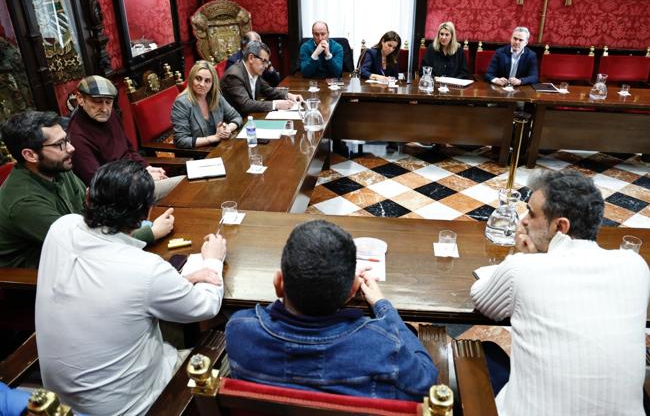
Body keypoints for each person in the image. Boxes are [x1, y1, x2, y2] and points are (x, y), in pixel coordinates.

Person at [35, 160, 226, 416]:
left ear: (89, 196)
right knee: (224, 341)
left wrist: (180, 282)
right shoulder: (146, 269)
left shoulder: (61, 227)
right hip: (132, 406)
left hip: (60, 402)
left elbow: (107, 281)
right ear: (146, 215)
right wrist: (213, 259)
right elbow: (205, 307)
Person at [471, 169, 648, 416]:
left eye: (532, 213)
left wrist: (526, 259)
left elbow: (481, 298)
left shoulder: (521, 268)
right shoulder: (636, 265)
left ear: (561, 226)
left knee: (482, 351)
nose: (523, 220)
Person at [226, 220, 438, 401]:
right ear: (353, 290)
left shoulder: (239, 330)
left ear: (279, 283)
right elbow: (426, 384)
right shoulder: (383, 346)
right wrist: (383, 307)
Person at [0, 111, 172, 268]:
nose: (71, 148)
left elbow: (91, 213)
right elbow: (83, 245)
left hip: (83, 252)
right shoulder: (24, 203)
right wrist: (149, 233)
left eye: (67, 139)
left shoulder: (56, 167)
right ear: (30, 155)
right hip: (42, 276)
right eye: (60, 144)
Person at [68, 75, 183, 199]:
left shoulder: (110, 115)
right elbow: (100, 182)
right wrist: (142, 176)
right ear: (80, 98)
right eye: (97, 101)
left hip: (135, 176)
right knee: (185, 185)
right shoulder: (77, 136)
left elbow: (129, 149)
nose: (105, 108)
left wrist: (147, 167)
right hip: (121, 194)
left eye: (108, 102)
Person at [171, 60, 243, 148]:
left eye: (207, 81)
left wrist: (228, 128)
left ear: (212, 83)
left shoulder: (216, 96)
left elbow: (237, 117)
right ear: (191, 79)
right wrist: (215, 137)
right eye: (198, 79)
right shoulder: (181, 103)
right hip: (196, 154)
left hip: (218, 148)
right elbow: (181, 140)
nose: (202, 84)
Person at [221, 41, 303, 114]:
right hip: (233, 125)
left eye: (267, 62)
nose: (266, 66)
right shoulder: (234, 76)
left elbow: (268, 90)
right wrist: (276, 104)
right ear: (251, 58)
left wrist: (288, 95)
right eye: (264, 61)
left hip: (249, 118)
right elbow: (246, 104)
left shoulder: (254, 72)